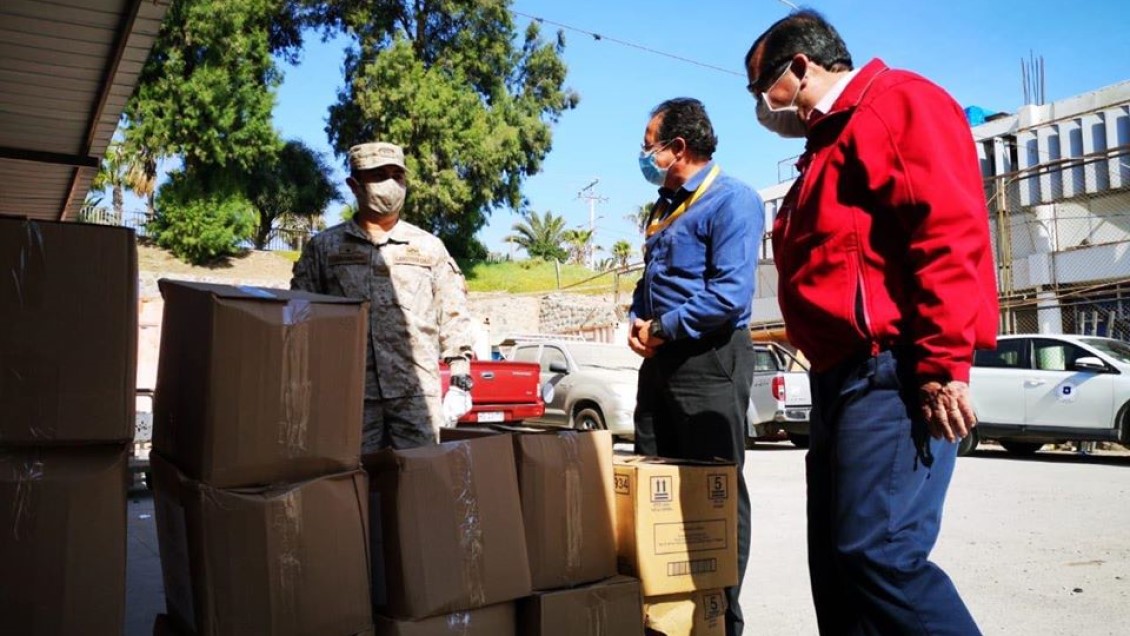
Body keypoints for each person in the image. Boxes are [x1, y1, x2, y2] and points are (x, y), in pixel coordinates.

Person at [744, 10, 998, 635]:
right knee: (836, 568)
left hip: (893, 371)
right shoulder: (825, 144)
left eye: (761, 89)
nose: (760, 106)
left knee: (880, 556)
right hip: (841, 380)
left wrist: (941, 368)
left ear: (799, 68)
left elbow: (946, 234)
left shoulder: (898, 104)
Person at [628, 97, 763, 636]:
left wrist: (662, 328)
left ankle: (720, 617)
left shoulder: (733, 201)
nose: (644, 154)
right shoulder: (662, 206)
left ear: (677, 148)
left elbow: (730, 296)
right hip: (661, 364)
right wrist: (638, 319)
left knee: (716, 492)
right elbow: (650, 282)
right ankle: (665, 612)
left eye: (648, 144)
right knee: (654, 485)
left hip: (710, 361)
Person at [291, 141, 476, 452]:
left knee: (421, 480)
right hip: (349, 393)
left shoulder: (428, 247)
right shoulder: (325, 248)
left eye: (397, 176)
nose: (390, 184)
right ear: (355, 185)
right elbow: (299, 318)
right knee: (353, 480)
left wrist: (460, 379)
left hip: (415, 394)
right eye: (378, 175)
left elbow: (453, 312)